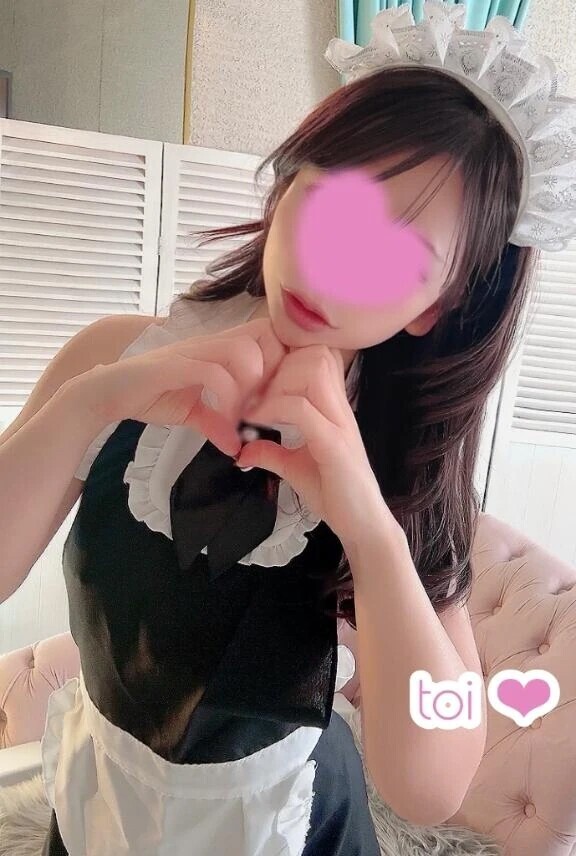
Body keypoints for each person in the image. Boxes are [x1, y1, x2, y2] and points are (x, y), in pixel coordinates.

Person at [1, 2, 575, 854]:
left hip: (288, 827)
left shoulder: (398, 473)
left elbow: (433, 781)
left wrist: (369, 530)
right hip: (100, 802)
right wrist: (92, 402)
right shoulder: (114, 357)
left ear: (434, 308)